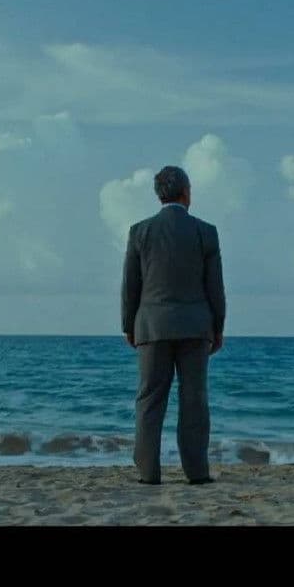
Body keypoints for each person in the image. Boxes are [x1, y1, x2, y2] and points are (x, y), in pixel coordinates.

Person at [121, 165, 226, 486]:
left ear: (159, 195)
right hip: (195, 327)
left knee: (149, 400)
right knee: (194, 400)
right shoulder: (205, 232)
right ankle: (197, 472)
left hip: (151, 326)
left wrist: (129, 326)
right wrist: (218, 327)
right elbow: (215, 287)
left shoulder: (140, 231)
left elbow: (130, 286)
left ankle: (148, 472)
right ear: (186, 192)